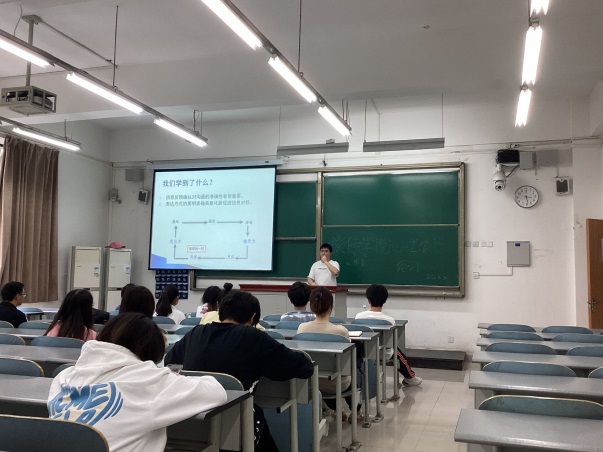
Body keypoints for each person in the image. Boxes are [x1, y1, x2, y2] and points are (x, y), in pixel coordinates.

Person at [47, 313, 227, 452]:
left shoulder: (64, 377)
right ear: (150, 353)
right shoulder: (149, 381)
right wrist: (171, 377)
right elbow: (216, 391)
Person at [165, 290, 314, 451]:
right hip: (236, 427)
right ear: (252, 318)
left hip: (189, 423)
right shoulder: (253, 337)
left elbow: (169, 362)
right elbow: (303, 367)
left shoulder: (196, 332)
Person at [297, 287, 358, 421]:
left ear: (311, 306)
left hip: (309, 382)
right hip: (337, 384)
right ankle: (356, 411)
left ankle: (336, 410)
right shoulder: (341, 331)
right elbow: (347, 363)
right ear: (331, 306)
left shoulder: (302, 328)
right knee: (352, 369)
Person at [355, 284, 422, 386]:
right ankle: (410, 378)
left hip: (363, 352)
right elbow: (391, 341)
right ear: (384, 301)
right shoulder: (389, 320)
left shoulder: (358, 317)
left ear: (368, 300)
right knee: (397, 351)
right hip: (383, 353)